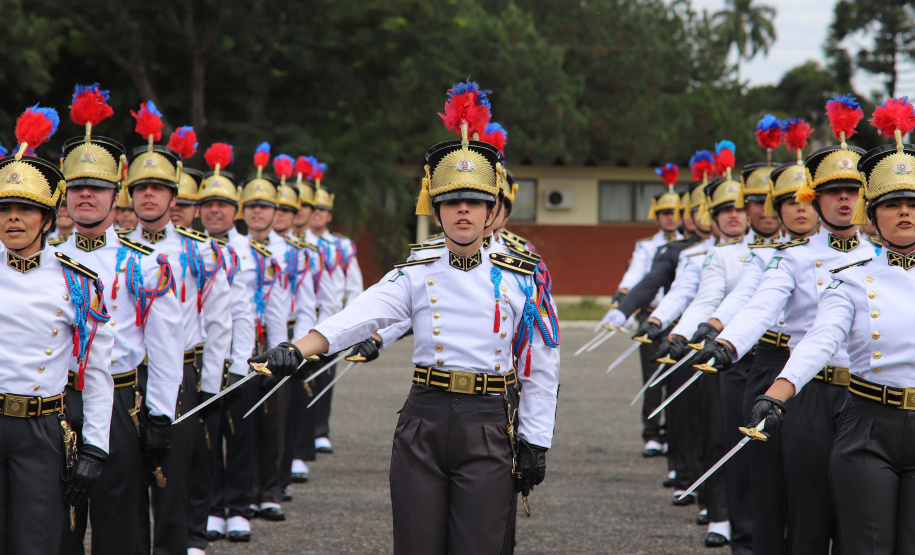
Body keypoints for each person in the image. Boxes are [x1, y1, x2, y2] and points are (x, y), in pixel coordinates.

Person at [252, 84, 560, 553]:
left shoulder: (524, 277)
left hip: (489, 422)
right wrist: (298, 349)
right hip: (424, 421)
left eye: (474, 202)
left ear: (491, 210)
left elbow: (542, 363)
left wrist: (536, 440)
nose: (462, 209)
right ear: (436, 212)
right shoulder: (415, 273)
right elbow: (360, 315)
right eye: (451, 201)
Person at [695, 99, 871, 554]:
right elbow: (759, 305)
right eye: (834, 191)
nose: (845, 199)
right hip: (805, 390)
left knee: (860, 516)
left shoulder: (881, 258)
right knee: (807, 512)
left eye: (854, 189)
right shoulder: (791, 258)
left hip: (865, 394)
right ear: (819, 198)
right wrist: (726, 342)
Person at [746, 96, 915, 554]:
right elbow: (819, 337)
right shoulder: (851, 278)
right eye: (893, 202)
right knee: (858, 539)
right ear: (873, 212)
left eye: (912, 203)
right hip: (861, 419)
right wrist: (776, 393)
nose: (904, 212)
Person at [55, 84, 184, 555]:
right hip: (55, 404)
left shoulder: (144, 262)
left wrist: (162, 414)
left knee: (120, 522)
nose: (86, 196)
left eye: (99, 188)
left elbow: (167, 343)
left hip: (122, 403)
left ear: (116, 198)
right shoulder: (47, 259)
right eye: (78, 188)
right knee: (56, 523)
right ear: (64, 196)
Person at [0, 104, 115, 554]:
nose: (12, 218)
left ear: (47, 220)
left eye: (25, 209)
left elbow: (98, 373)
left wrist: (95, 449)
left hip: (42, 428)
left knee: (36, 543)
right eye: (5, 208)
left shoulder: (78, 284)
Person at [124, 100, 233, 555]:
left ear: (175, 199)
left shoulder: (201, 251)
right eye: (140, 187)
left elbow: (219, 319)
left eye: (159, 188)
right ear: (128, 195)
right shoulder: (114, 251)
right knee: (127, 482)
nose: (149, 195)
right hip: (126, 378)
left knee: (173, 482)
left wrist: (211, 388)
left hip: (184, 376)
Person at [196, 142, 259, 542]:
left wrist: (241, 363)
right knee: (203, 440)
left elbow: (244, 311)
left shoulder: (246, 249)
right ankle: (211, 506)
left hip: (234, 356)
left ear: (235, 210)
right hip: (197, 356)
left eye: (222, 203)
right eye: (208, 203)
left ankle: (237, 506)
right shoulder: (189, 245)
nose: (215, 210)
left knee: (237, 435)